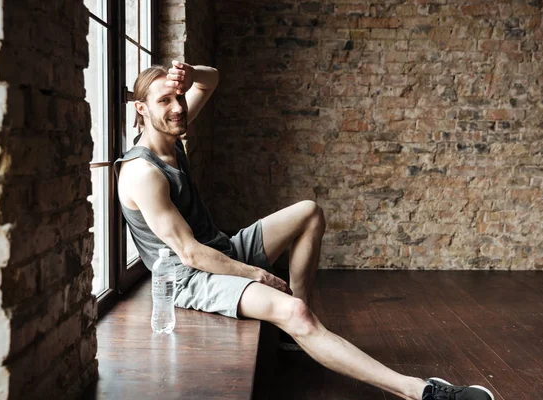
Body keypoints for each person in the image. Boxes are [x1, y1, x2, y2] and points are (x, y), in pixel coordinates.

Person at [113, 60, 495, 400]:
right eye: (165, 101)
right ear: (141, 109)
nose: (178, 108)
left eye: (179, 98)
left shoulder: (170, 128)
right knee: (295, 312)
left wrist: (191, 75)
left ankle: (295, 334)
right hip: (191, 278)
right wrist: (258, 274)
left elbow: (210, 82)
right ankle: (420, 391)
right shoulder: (144, 173)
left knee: (309, 212)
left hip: (222, 249)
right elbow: (191, 254)